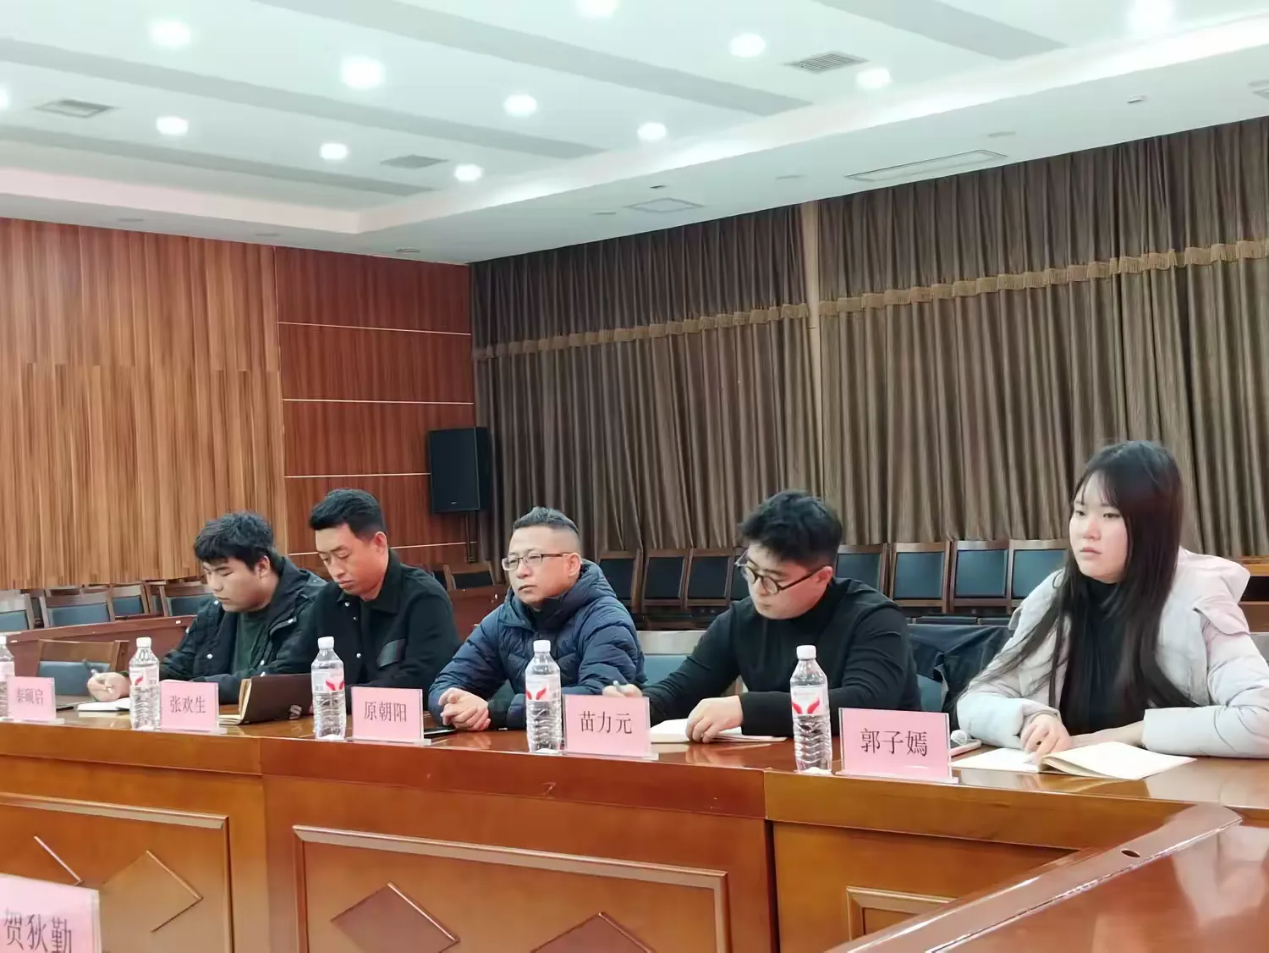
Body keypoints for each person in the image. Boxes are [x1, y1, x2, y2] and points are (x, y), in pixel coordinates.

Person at [958, 441, 1269, 759]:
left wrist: (1132, 734)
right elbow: (976, 699)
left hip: (1174, 786)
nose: (1087, 531)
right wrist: (1031, 719)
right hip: (1066, 782)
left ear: (1152, 527)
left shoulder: (1198, 598)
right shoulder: (1053, 596)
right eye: (1080, 512)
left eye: (1110, 515)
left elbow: (1262, 718)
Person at [606, 491, 920, 741]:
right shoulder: (742, 619)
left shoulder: (874, 618)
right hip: (780, 770)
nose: (758, 589)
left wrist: (747, 708)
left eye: (773, 580)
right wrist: (642, 705)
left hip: (878, 770)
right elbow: (683, 689)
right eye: (751, 571)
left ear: (822, 577)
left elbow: (864, 703)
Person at [428, 507, 643, 731]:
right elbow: (445, 685)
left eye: (533, 558)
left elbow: (599, 699)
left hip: (596, 747)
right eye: (513, 561)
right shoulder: (504, 619)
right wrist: (456, 707)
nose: (521, 571)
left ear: (571, 565)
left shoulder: (607, 619)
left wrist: (496, 711)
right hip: (528, 745)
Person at [87, 512, 324, 705]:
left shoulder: (312, 605)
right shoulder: (215, 610)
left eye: (224, 573)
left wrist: (194, 690)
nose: (214, 585)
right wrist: (128, 682)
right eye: (208, 573)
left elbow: (281, 678)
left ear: (262, 566)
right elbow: (180, 667)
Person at [268, 489, 460, 693]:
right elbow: (294, 666)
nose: (335, 570)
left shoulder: (424, 598)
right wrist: (250, 687)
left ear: (378, 543)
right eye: (326, 559)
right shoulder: (329, 599)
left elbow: (422, 681)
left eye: (343, 555)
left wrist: (342, 698)